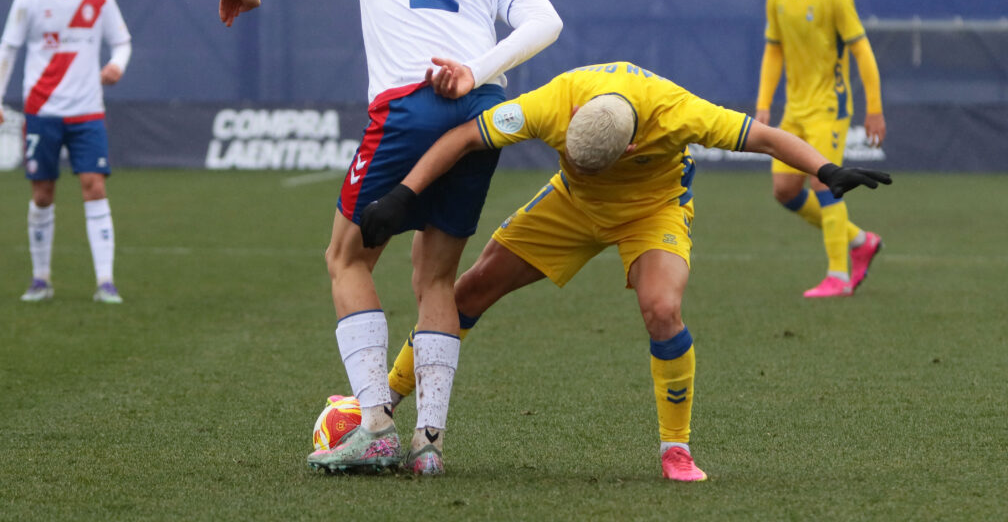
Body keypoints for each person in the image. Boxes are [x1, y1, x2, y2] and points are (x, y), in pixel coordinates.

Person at [358, 61, 891, 481]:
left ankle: (676, 449)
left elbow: (768, 138)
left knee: (663, 309)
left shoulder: (681, 112)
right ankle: (383, 405)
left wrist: (826, 169)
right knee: (468, 291)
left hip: (651, 210)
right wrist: (405, 195)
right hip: (571, 203)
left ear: (632, 146)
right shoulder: (554, 101)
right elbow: (466, 138)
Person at [218, 0, 563, 475]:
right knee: (436, 279)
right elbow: (547, 23)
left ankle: (375, 423)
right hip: (482, 113)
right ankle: (428, 445)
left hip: (409, 105)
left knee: (346, 258)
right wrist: (477, 72)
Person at [0, 0, 132, 304]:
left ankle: (105, 282)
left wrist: (117, 65)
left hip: (87, 111)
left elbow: (122, 41)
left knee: (94, 186)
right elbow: (7, 50)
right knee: (43, 193)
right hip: (42, 112)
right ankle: (40, 279)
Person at [756, 0, 887, 298]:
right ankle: (860, 241)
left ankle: (838, 275)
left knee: (823, 180)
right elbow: (773, 51)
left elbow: (862, 50)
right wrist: (763, 104)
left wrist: (874, 108)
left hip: (830, 107)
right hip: (794, 109)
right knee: (784, 189)